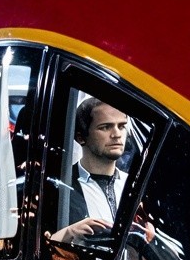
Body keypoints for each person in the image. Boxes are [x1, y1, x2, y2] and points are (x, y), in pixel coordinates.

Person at [49, 96, 134, 247]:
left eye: (121, 126)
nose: (117, 134)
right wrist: (68, 233)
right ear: (81, 137)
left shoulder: (136, 187)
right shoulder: (59, 188)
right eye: (105, 127)